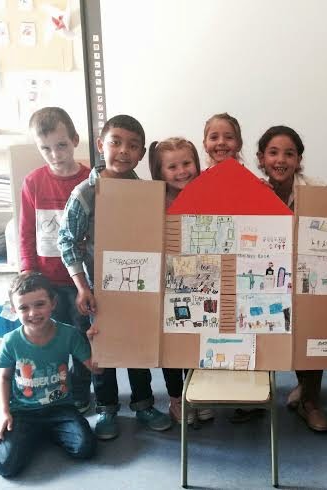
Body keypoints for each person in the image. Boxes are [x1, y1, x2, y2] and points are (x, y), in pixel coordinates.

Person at [58, 115, 171, 440]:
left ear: (141, 154)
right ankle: (106, 408)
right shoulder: (86, 192)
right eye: (116, 142)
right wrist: (82, 287)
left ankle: (144, 404)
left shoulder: (145, 192)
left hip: (137, 286)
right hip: (98, 288)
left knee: (136, 347)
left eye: (133, 146)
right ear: (100, 145)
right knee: (102, 349)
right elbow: (67, 241)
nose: (123, 151)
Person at [256, 125, 327, 431]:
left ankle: (310, 400)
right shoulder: (253, 187)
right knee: (262, 328)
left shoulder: (317, 189)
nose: (280, 160)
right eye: (273, 153)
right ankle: (254, 397)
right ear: (261, 158)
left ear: (298, 160)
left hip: (309, 273)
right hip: (266, 276)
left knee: (311, 329)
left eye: (289, 154)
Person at [20, 107, 93, 413]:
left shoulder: (91, 180)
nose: (55, 154)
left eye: (61, 145)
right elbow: (26, 231)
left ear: (74, 140)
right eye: (45, 148)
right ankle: (57, 390)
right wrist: (28, 272)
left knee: (82, 339)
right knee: (53, 339)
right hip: (47, 281)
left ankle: (81, 393)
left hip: (82, 280)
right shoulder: (33, 182)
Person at [0, 272, 97, 477]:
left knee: (85, 448)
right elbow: (3, 378)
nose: (33, 313)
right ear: (13, 309)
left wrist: (95, 343)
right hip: (22, 412)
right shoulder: (11, 341)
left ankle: (41, 433)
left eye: (40, 304)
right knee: (5, 466)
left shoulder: (69, 334)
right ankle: (34, 433)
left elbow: (96, 368)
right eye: (23, 308)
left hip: (60, 408)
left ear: (53, 303)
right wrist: (3, 413)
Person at [148, 136, 212, 424]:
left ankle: (199, 394)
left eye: (187, 163)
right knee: (172, 345)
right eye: (172, 167)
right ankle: (176, 399)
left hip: (202, 279)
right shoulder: (154, 200)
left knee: (199, 338)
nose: (182, 171)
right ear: (160, 171)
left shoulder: (206, 194)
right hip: (166, 281)